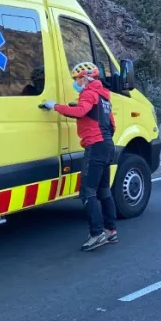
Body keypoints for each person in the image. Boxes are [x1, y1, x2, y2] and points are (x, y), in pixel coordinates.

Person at [41, 62, 118, 251]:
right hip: (107, 145)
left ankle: (96, 233)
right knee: (104, 190)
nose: (76, 82)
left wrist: (56, 106)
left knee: (87, 192)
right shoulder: (104, 97)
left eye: (77, 79)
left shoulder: (89, 93)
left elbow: (80, 111)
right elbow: (112, 125)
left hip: (95, 145)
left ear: (86, 78)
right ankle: (110, 230)